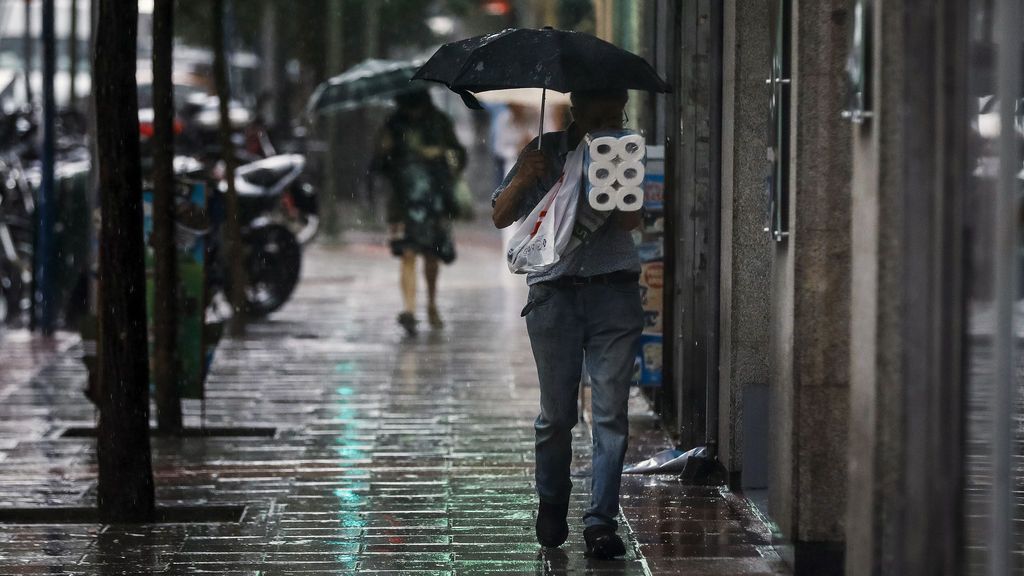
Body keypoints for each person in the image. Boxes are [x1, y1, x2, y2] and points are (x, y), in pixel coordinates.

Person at [491, 89, 643, 559]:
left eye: (617, 108)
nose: (612, 115)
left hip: (614, 294)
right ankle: (552, 501)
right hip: (554, 297)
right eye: (603, 107)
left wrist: (613, 177)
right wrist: (526, 177)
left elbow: (631, 221)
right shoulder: (545, 150)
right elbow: (500, 215)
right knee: (557, 417)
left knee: (611, 414)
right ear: (579, 106)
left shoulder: (624, 148)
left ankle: (600, 521)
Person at [372, 89, 466, 336]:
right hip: (403, 202)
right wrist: (386, 150)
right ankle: (410, 310)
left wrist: (439, 153)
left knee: (432, 255)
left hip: (435, 199)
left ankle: (431, 303)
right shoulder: (393, 124)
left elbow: (459, 155)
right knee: (407, 251)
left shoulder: (439, 122)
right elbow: (379, 165)